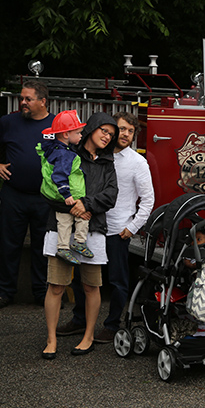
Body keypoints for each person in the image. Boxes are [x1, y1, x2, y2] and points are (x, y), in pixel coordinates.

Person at [57, 111, 154, 343]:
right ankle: (79, 320)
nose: (126, 134)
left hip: (117, 230)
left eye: (131, 131)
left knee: (117, 281)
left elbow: (148, 199)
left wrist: (132, 227)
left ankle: (112, 325)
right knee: (82, 276)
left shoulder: (138, 162)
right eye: (121, 129)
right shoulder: (94, 155)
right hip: (88, 226)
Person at [42, 112, 118, 359]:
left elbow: (111, 195)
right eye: (104, 130)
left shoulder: (108, 163)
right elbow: (49, 186)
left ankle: (88, 336)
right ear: (92, 128)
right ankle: (51, 339)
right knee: (56, 286)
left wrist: (86, 204)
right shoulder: (68, 153)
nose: (107, 137)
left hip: (93, 228)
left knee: (91, 286)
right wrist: (73, 207)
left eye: (111, 134)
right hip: (61, 226)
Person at [0, 81, 55, 309]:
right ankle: (4, 292)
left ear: (43, 101)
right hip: (14, 195)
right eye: (22, 98)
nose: (23, 102)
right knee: (8, 245)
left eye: (28, 99)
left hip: (46, 198)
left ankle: (42, 293)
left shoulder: (56, 124)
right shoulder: (9, 122)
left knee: (44, 247)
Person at [36, 110, 91, 265]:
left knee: (64, 221)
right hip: (68, 195)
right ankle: (79, 242)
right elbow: (59, 175)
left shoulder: (53, 149)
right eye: (78, 133)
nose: (81, 136)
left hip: (56, 196)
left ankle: (63, 247)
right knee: (82, 216)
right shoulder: (65, 155)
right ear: (66, 134)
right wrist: (67, 194)